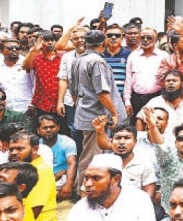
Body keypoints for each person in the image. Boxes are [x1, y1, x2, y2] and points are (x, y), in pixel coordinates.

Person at [69, 30, 128, 187]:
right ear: (104, 43)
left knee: (95, 154)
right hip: (97, 116)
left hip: (85, 112)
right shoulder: (97, 61)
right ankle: (84, 190)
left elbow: (73, 91)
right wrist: (114, 114)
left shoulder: (78, 60)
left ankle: (94, 188)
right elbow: (102, 93)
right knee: (91, 156)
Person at [66, 154, 156, 221]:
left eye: (96, 178)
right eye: (86, 178)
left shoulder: (139, 200)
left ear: (116, 180)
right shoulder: (79, 210)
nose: (88, 184)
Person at [144, 107, 183, 213]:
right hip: (170, 215)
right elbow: (161, 146)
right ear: (175, 143)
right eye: (180, 138)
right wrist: (153, 127)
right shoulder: (167, 160)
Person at [135, 69, 183, 141]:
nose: (171, 83)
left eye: (174, 81)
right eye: (168, 81)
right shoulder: (154, 102)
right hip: (160, 143)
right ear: (164, 84)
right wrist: (140, 140)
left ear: (182, 84)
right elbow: (140, 119)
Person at [124, 27, 168, 120]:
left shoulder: (164, 56)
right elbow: (128, 80)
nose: (145, 40)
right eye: (142, 37)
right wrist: (127, 101)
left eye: (149, 38)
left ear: (156, 40)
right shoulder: (133, 56)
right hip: (137, 99)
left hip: (157, 97)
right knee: (136, 125)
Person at [0, 39, 33, 113]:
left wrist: (32, 105)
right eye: (10, 48)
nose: (14, 50)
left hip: (27, 109)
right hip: (4, 111)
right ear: (1, 51)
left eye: (17, 48)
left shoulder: (28, 64)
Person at [56, 25, 88, 151]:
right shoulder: (67, 56)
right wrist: (60, 102)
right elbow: (63, 79)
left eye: (82, 37)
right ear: (71, 41)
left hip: (90, 101)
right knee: (74, 130)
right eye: (76, 38)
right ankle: (78, 157)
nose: (79, 40)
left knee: (90, 130)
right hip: (71, 100)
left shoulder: (95, 55)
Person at [21, 30, 63, 119]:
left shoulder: (63, 57)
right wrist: (34, 50)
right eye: (46, 40)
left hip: (62, 102)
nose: (50, 43)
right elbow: (25, 67)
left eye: (52, 40)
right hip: (43, 103)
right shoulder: (36, 58)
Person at [37, 114, 77, 200]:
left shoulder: (67, 142)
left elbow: (72, 164)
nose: (48, 130)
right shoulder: (36, 145)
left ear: (58, 128)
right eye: (45, 128)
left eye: (52, 127)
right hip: (47, 178)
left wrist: (68, 185)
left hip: (63, 177)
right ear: (38, 130)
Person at [102, 24, 132, 99]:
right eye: (109, 35)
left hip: (122, 99)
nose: (113, 37)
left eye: (117, 35)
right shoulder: (99, 55)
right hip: (103, 98)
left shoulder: (129, 55)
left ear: (122, 38)